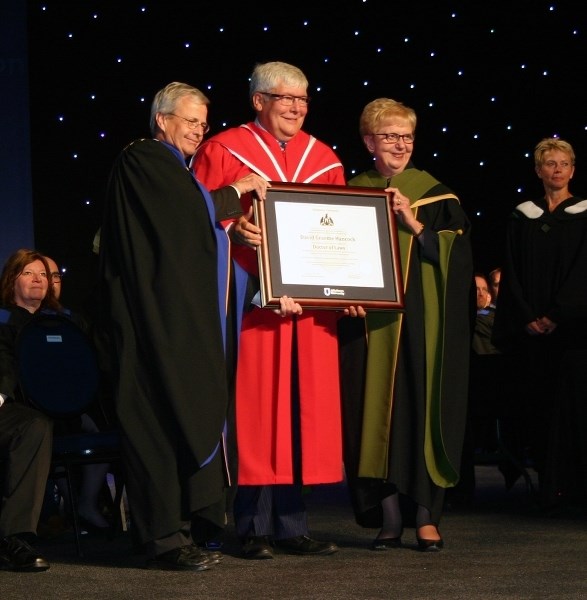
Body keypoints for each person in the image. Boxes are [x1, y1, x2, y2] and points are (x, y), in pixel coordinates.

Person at [98, 81, 273, 571]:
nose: (198, 130)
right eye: (190, 121)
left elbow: (194, 225)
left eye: (203, 123)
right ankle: (162, 539)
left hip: (174, 324)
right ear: (162, 120)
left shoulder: (176, 171)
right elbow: (184, 220)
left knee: (181, 417)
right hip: (149, 325)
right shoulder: (145, 159)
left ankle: (182, 530)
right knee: (154, 424)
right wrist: (236, 193)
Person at [193, 61, 353, 560]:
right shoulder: (224, 150)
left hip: (307, 312)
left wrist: (347, 283)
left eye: (304, 99)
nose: (297, 107)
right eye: (286, 98)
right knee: (257, 412)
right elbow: (193, 217)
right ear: (258, 100)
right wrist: (232, 229)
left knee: (302, 413)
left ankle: (293, 524)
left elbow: (342, 234)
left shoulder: (324, 158)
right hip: (250, 306)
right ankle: (252, 525)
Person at [339, 98, 473, 551]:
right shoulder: (350, 190)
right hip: (369, 327)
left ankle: (427, 516)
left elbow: (459, 262)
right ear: (369, 141)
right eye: (390, 135)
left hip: (421, 325)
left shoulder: (436, 195)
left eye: (406, 136)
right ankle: (390, 516)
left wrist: (414, 224)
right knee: (377, 419)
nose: (399, 144)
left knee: (419, 410)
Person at [493, 137, 587, 511]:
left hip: (576, 334)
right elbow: (511, 271)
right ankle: (547, 490)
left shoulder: (584, 214)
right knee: (539, 409)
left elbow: (583, 273)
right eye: (550, 164)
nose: (557, 170)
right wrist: (528, 315)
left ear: (573, 169)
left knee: (575, 411)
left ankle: (576, 491)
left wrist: (557, 314)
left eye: (564, 163)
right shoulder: (522, 216)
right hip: (533, 334)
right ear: (538, 170)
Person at [0, 249, 56, 571]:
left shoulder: (60, 325)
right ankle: (13, 539)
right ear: (12, 281)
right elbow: (5, 367)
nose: (38, 280)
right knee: (33, 425)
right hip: (14, 411)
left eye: (43, 275)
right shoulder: (4, 322)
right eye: (28, 274)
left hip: (63, 412)